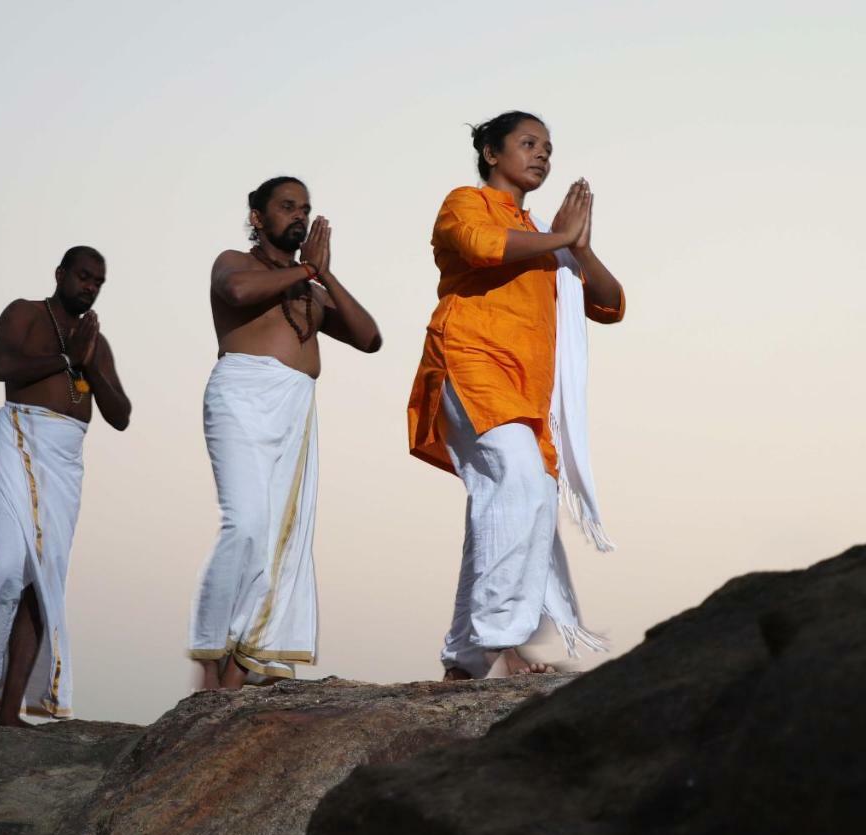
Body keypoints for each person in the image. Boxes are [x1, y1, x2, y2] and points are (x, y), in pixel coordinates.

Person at [407, 111, 626, 679]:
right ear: (490, 154)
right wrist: (558, 237)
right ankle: (503, 641)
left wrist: (578, 246)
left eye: (548, 148)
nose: (542, 155)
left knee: (510, 499)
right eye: (528, 144)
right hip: (469, 363)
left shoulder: (545, 241)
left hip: (526, 392)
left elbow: (610, 304)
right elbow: (481, 247)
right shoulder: (466, 203)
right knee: (519, 483)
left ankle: (465, 654)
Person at [0, 246, 130, 724]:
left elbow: (121, 416)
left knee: (41, 585)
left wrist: (90, 366)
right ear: (60, 274)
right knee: (6, 566)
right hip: (20, 438)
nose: (90, 287)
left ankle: (9, 713)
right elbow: (0, 368)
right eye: (83, 276)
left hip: (66, 459)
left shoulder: (97, 341)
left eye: (98, 281)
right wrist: (63, 358)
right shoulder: (25, 313)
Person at [189, 177, 382, 690]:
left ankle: (244, 664)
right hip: (243, 392)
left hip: (296, 405)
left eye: (306, 208)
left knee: (283, 534)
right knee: (248, 523)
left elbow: (369, 337)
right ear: (258, 216)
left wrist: (325, 276)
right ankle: (212, 655)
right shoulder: (235, 261)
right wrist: (308, 270)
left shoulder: (309, 285)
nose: (299, 215)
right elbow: (236, 291)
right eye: (287, 206)